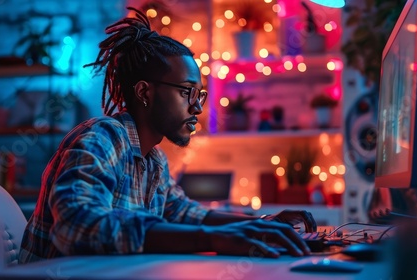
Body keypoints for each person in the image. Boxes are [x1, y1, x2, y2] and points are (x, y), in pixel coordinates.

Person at [18, 7, 316, 263]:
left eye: (201, 94)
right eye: (188, 92)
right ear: (144, 92)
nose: (198, 107)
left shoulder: (153, 161)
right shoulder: (101, 137)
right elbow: (76, 226)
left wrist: (261, 224)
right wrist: (214, 240)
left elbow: (185, 214)